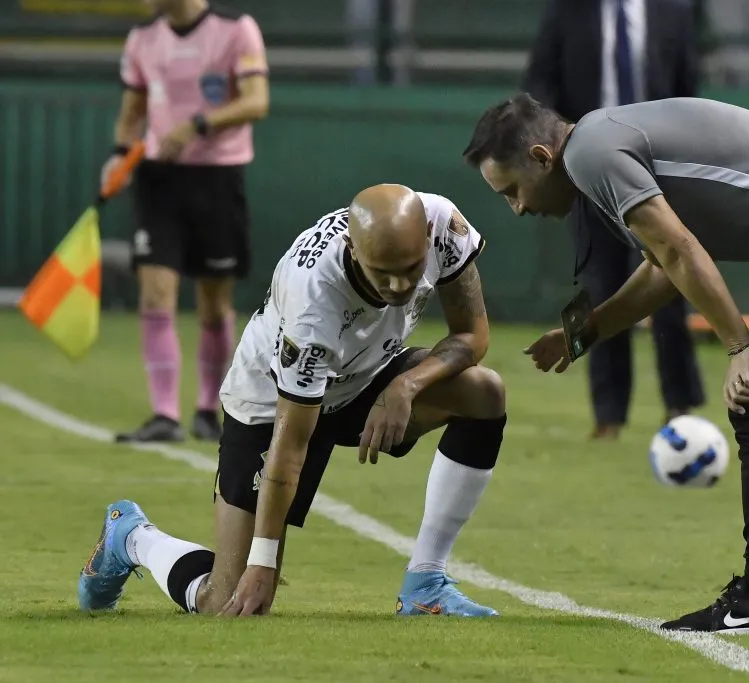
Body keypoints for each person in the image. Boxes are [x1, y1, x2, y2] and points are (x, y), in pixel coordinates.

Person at [462, 93, 749, 636]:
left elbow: (679, 249)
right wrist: (589, 330)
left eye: (512, 191)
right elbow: (662, 269)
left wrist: (740, 347)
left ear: (540, 156)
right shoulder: (601, 142)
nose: (519, 207)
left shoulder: (591, 153)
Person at [78, 185, 507, 618]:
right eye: (384, 273)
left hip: (365, 376)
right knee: (227, 602)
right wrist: (262, 562)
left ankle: (425, 584)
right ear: (353, 251)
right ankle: (132, 537)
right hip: (271, 403)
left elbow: (473, 335)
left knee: (483, 392)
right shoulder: (314, 300)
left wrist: (406, 385)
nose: (399, 286)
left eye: (411, 269)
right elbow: (292, 443)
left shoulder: (442, 225)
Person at [522, 0, 704, 439]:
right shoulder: (568, 12)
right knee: (599, 288)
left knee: (673, 282)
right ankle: (608, 414)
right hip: (587, 168)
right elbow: (539, 83)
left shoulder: (673, 12)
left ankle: (679, 406)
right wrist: (559, 146)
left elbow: (687, 87)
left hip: (658, 166)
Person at [107, 0, 269, 443]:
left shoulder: (236, 30)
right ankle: (164, 415)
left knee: (214, 303)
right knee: (156, 294)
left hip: (217, 178)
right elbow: (131, 113)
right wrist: (120, 157)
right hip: (159, 180)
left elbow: (257, 102)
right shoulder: (142, 38)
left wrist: (197, 124)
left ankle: (207, 409)